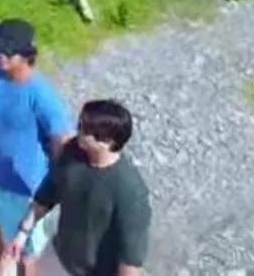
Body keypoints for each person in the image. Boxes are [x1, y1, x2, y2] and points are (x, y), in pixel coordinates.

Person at [0, 20, 76, 276]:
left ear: (27, 55)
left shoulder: (41, 94)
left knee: (28, 256)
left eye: (8, 52)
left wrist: (55, 193)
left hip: (29, 191)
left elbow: (63, 142)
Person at [11, 99, 152, 276]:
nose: (77, 132)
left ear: (106, 142)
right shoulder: (73, 152)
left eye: (84, 130)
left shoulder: (130, 192)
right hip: (59, 255)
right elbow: (48, 193)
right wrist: (23, 233)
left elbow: (131, 257)